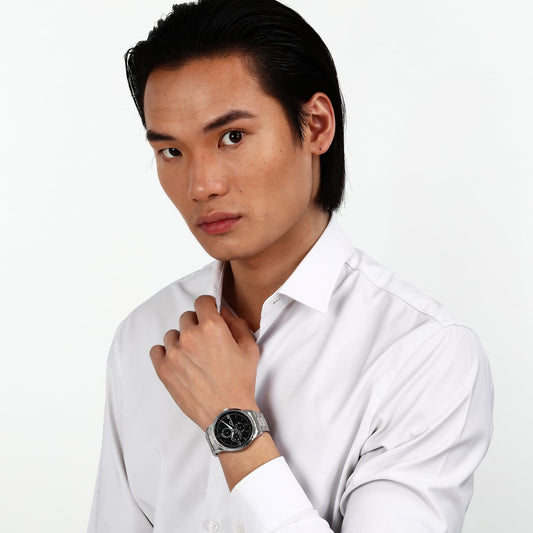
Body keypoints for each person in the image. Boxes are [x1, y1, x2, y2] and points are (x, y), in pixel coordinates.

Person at [88, 0, 493, 531]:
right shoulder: (145, 336)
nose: (201, 186)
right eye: (171, 151)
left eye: (232, 137)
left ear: (316, 126)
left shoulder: (422, 354)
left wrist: (231, 422)